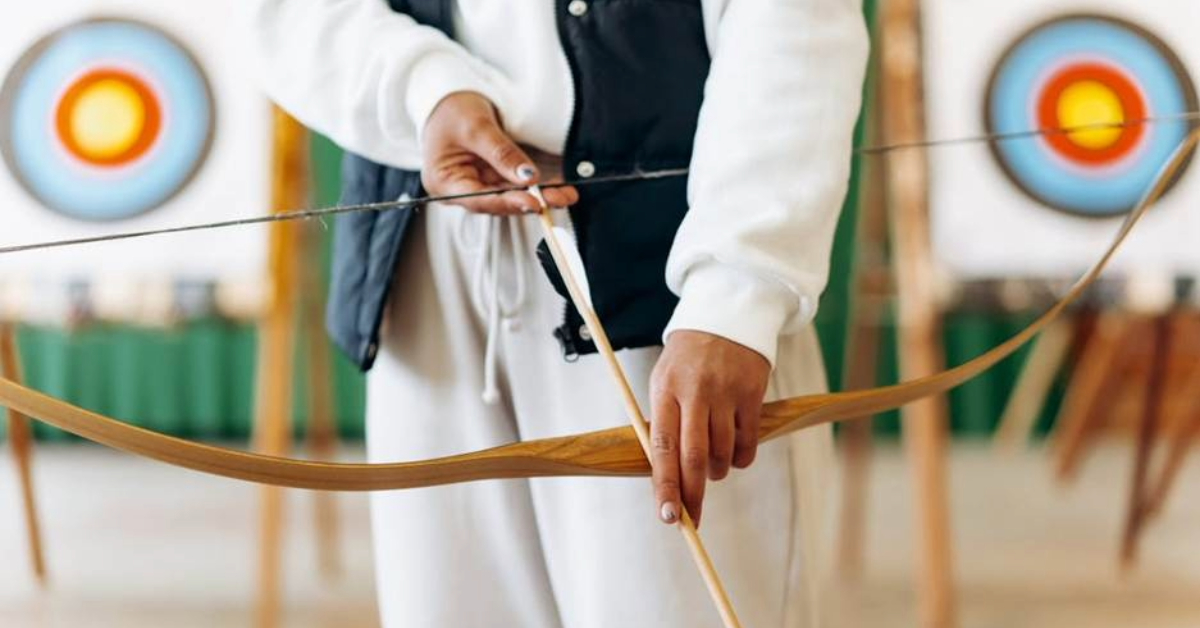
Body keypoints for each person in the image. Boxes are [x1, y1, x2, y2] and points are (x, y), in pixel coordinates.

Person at [243, 1, 867, 626]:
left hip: (667, 281)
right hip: (428, 246)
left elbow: (791, 21)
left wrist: (736, 292)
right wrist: (424, 87)